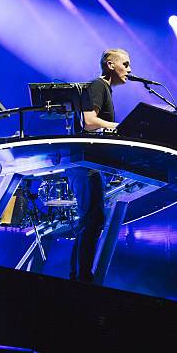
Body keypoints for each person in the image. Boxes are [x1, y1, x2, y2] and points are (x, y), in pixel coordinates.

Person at [67, 48, 131, 283]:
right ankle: (82, 278)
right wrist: (118, 127)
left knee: (92, 220)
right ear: (110, 64)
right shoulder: (98, 85)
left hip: (89, 163)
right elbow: (90, 122)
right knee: (92, 220)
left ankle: (80, 276)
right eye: (125, 63)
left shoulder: (106, 90)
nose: (130, 69)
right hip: (84, 163)